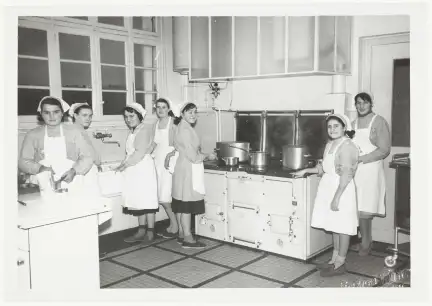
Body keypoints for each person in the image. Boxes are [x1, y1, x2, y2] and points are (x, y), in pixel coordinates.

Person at [292, 113, 359, 277]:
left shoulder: (347, 146)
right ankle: (333, 260)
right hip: (329, 186)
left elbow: (347, 175)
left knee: (343, 227)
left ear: (344, 128)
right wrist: (306, 170)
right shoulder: (330, 144)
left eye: (336, 126)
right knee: (335, 225)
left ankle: (340, 263)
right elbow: (324, 168)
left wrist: (337, 197)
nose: (332, 129)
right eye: (330, 126)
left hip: (342, 189)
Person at [165, 102, 217, 249]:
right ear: (182, 114)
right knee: (187, 205)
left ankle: (182, 234)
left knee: (182, 204)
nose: (193, 115)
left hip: (182, 168)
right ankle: (188, 238)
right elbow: (193, 156)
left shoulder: (181, 126)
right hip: (188, 170)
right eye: (189, 112)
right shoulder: (185, 130)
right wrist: (208, 156)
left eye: (195, 112)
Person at [18, 96, 94, 194]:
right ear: (41, 114)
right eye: (47, 113)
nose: (51, 116)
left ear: (62, 113)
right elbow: (23, 161)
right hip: (44, 184)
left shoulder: (74, 132)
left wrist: (74, 171)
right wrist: (40, 168)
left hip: (72, 181)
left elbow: (87, 157)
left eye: (56, 112)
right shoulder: (33, 134)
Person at [351, 92, 391, 256]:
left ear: (371, 104)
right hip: (356, 170)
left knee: (366, 208)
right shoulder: (352, 124)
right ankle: (364, 240)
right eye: (358, 103)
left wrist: (362, 159)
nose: (361, 106)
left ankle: (366, 242)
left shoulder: (379, 121)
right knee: (358, 207)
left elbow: (384, 149)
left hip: (370, 169)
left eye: (364, 103)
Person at [115, 103, 159, 243]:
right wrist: (124, 164)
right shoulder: (134, 131)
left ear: (140, 116)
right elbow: (130, 153)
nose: (128, 119)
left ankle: (150, 232)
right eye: (126, 117)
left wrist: (124, 165)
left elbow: (139, 152)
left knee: (147, 200)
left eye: (132, 116)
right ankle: (141, 231)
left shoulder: (144, 130)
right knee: (140, 201)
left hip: (143, 168)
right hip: (135, 168)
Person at [150, 97, 179, 238]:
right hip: (158, 162)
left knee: (166, 197)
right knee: (162, 196)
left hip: (169, 162)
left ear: (169, 109)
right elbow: (155, 143)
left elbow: (179, 144)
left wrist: (171, 155)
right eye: (158, 107)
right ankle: (174, 224)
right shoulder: (157, 123)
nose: (160, 110)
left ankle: (175, 225)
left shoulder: (172, 122)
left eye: (163, 107)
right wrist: (145, 155)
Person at [69, 103, 102, 194]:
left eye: (90, 116)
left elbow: (89, 151)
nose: (88, 119)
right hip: (82, 174)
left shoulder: (81, 130)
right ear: (75, 116)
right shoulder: (74, 131)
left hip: (87, 171)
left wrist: (97, 164)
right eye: (84, 115)